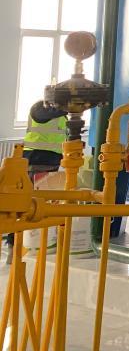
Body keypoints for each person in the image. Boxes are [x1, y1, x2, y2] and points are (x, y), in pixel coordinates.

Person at [4, 101, 66, 260]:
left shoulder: (63, 114)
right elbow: (49, 113)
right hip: (34, 161)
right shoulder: (40, 108)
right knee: (23, 203)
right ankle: (13, 247)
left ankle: (35, 243)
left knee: (41, 205)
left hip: (51, 163)